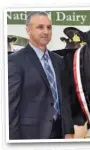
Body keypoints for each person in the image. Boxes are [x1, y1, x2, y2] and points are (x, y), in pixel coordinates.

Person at [9, 11, 74, 139]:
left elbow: (64, 99)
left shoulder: (58, 61)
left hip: (59, 133)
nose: (46, 31)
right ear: (28, 30)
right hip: (31, 135)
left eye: (49, 27)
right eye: (40, 27)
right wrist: (13, 143)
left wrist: (68, 131)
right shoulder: (15, 61)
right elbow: (11, 107)